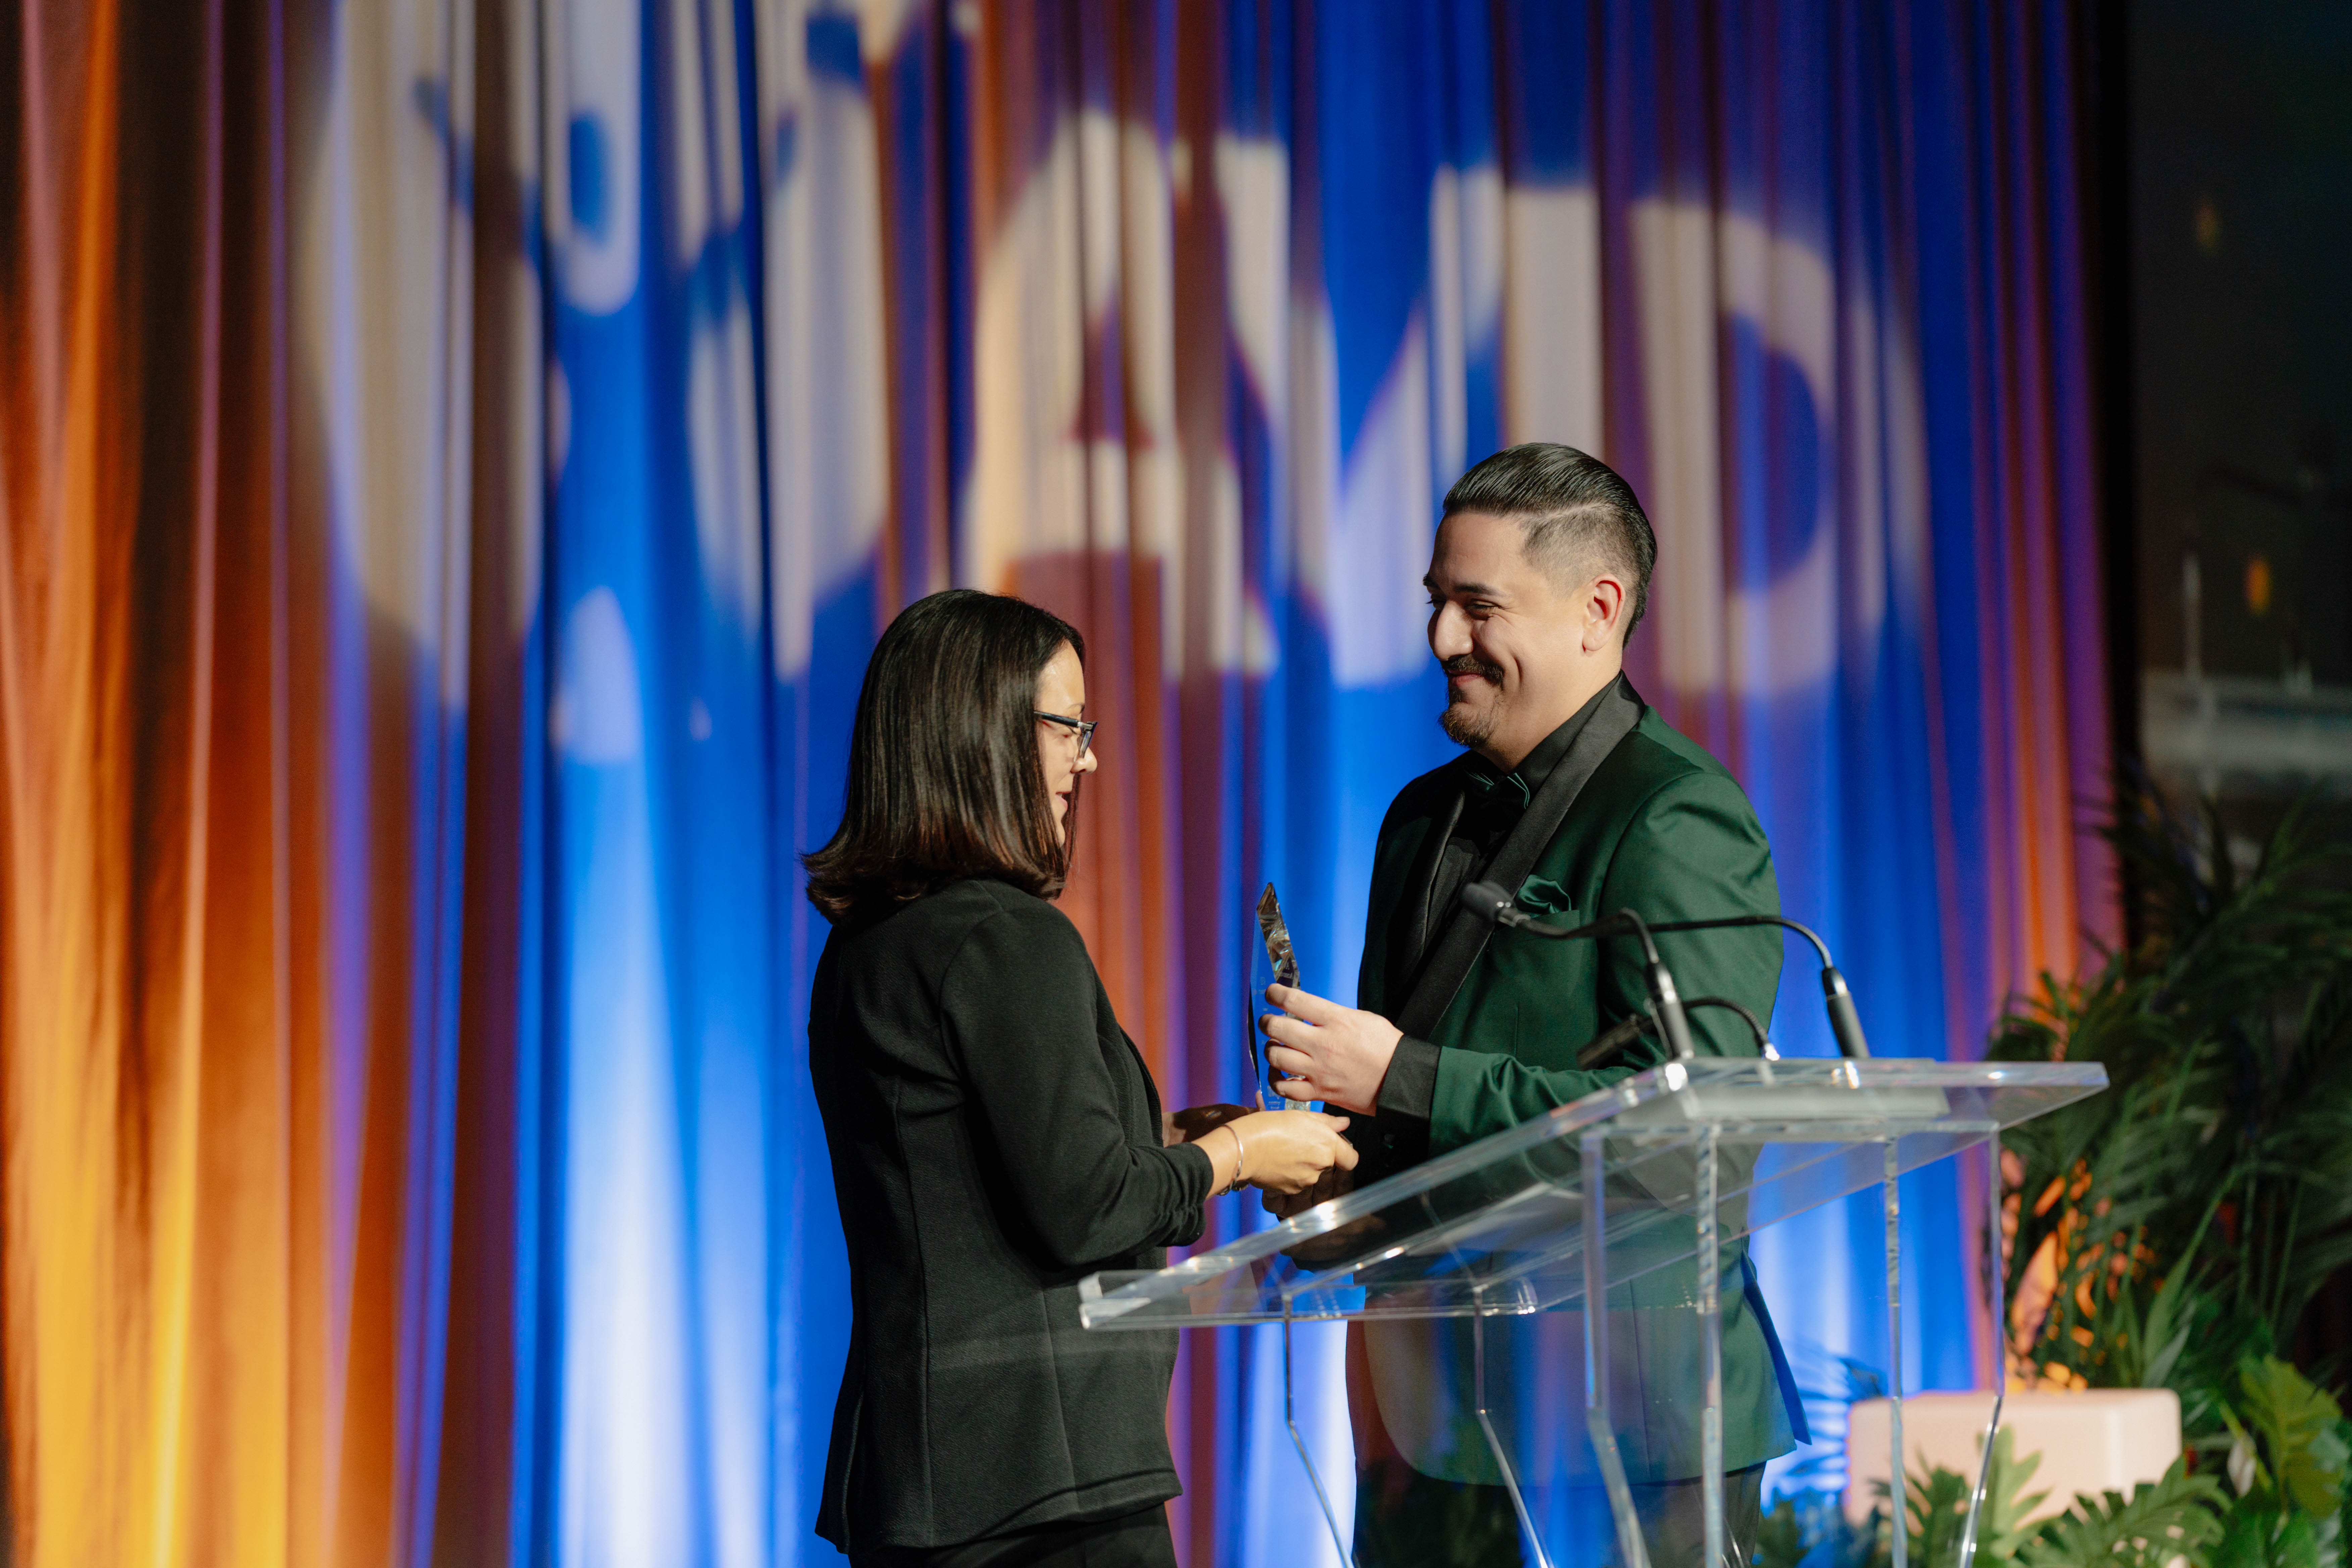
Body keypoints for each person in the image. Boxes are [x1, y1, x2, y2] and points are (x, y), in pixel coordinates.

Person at [1259, 445, 1806, 1567]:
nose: (1443, 639)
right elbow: (1409, 1133)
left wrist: (1400, 1074)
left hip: (1639, 1424)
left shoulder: (1677, 815)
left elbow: (1688, 1140)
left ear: (1597, 611)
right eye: (1436, 603)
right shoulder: (1415, 820)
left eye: (1478, 605)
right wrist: (1311, 1165)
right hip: (1428, 1419)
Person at [805, 588, 1358, 1568]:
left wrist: (1176, 1151)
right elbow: (1087, 1207)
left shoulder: (873, 942)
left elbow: (985, 1190)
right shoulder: (1004, 935)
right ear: (981, 733)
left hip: (931, 1477)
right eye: (1069, 726)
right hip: (1040, 1484)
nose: (1089, 758)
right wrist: (1243, 1151)